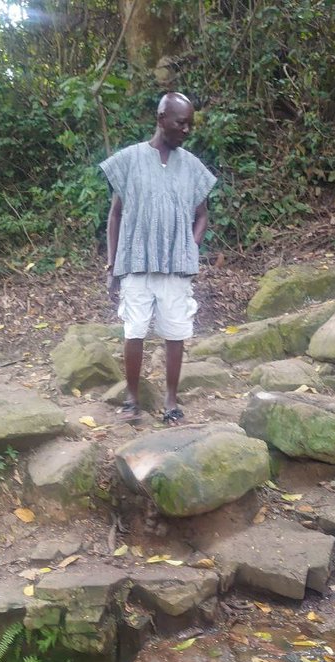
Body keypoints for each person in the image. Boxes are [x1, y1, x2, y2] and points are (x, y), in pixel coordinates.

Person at [100, 92, 217, 423]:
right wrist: (112, 265)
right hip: (136, 263)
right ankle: (132, 398)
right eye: (181, 123)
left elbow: (202, 214)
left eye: (190, 124)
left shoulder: (191, 165)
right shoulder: (130, 159)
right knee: (134, 329)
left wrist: (190, 246)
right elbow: (115, 216)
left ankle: (170, 401)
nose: (187, 130)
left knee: (176, 331)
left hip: (175, 267)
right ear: (161, 118)